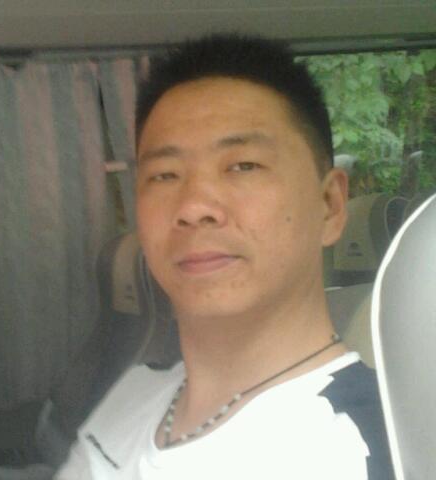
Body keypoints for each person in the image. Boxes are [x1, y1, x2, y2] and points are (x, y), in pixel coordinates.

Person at [55, 34, 395, 480]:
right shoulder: (134, 393)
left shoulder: (355, 448)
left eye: (243, 166)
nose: (194, 206)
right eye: (164, 175)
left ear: (330, 205)